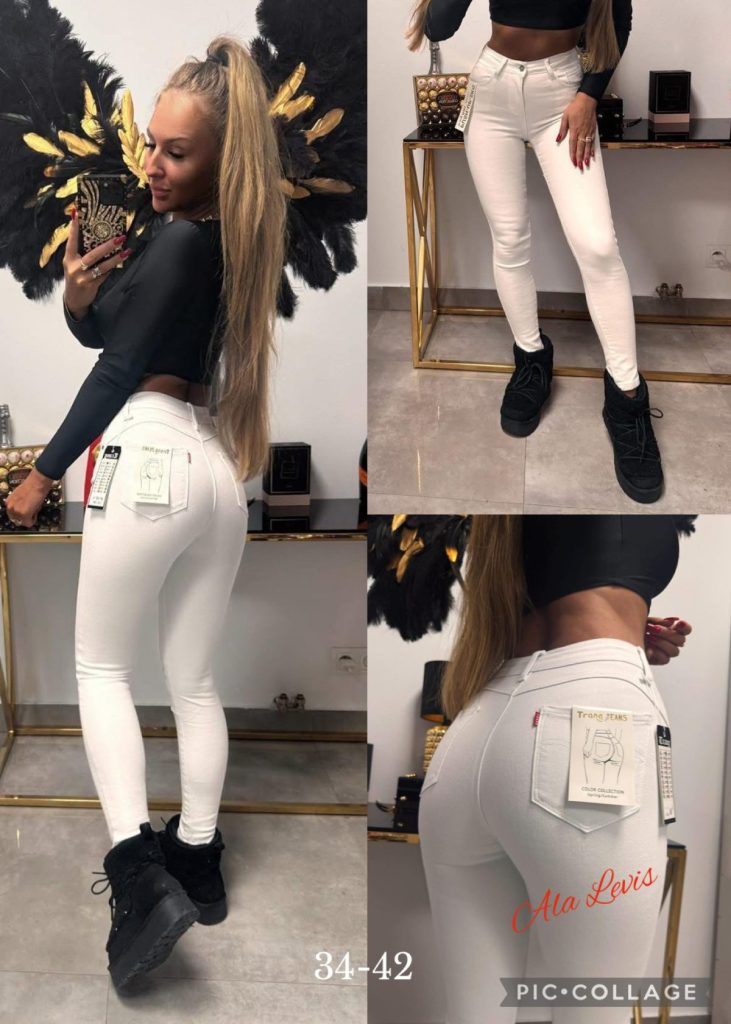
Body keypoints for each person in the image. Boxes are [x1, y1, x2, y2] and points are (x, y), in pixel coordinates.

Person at [5, 36, 287, 991]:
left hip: (151, 456)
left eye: (177, 152)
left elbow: (122, 369)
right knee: (192, 679)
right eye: (151, 147)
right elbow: (121, 336)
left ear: (220, 158)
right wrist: (79, 297)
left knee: (99, 668)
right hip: (213, 469)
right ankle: (196, 862)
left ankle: (138, 878)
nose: (154, 167)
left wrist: (42, 472)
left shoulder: (177, 241)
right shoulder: (224, 242)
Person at [412, 515, 695, 1024]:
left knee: (474, 1013)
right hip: (588, 717)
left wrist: (629, 631)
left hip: (476, 728)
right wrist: (618, 640)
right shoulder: (624, 489)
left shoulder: (503, 517)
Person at [406, 1, 664, 505]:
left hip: (562, 92)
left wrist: (589, 94)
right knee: (508, 237)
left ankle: (627, 396)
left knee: (597, 246)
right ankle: (531, 358)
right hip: (491, 90)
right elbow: (439, 25)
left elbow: (619, 18)